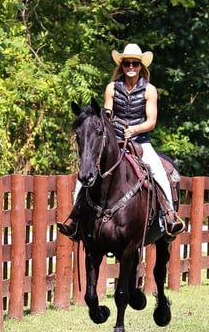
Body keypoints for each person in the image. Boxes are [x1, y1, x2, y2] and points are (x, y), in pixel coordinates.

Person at [58, 43, 185, 241]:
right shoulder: (111, 88)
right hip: (116, 141)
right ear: (122, 66)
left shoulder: (149, 90)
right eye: (127, 64)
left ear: (141, 66)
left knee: (159, 173)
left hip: (141, 142)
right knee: (85, 174)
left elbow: (151, 121)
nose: (131, 67)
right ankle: (74, 219)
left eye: (135, 63)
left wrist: (134, 129)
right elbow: (107, 113)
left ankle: (169, 216)